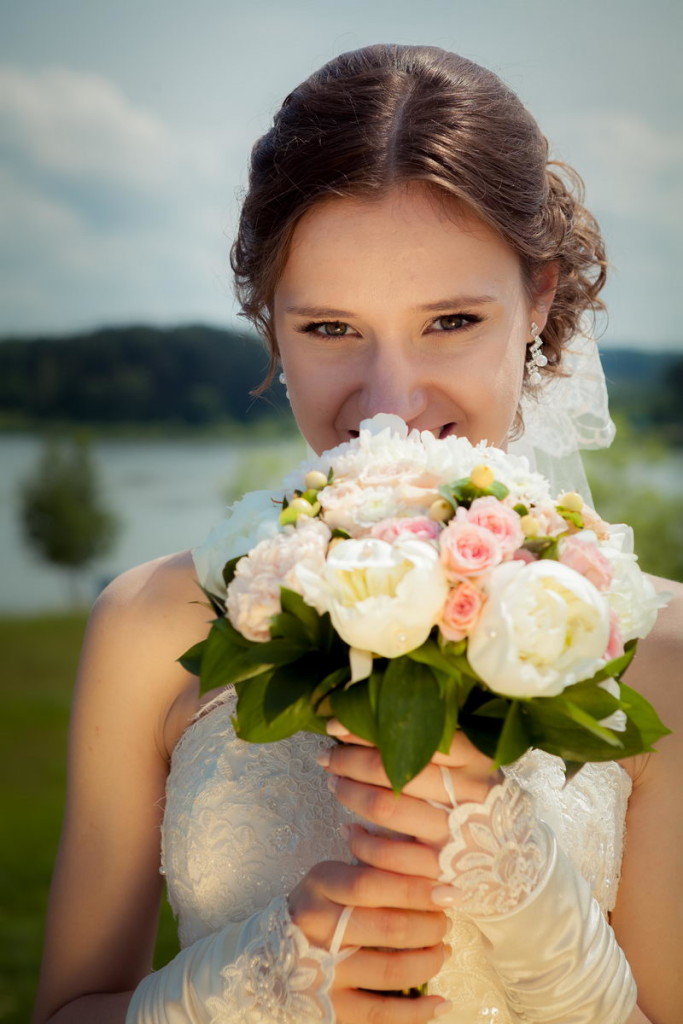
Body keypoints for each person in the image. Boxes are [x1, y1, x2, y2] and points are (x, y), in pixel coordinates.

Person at [33, 43, 682, 1024]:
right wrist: (253, 991)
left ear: (538, 299)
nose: (388, 405)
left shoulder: (662, 652)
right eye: (330, 329)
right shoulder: (145, 626)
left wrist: (524, 895)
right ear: (270, 326)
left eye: (451, 319)